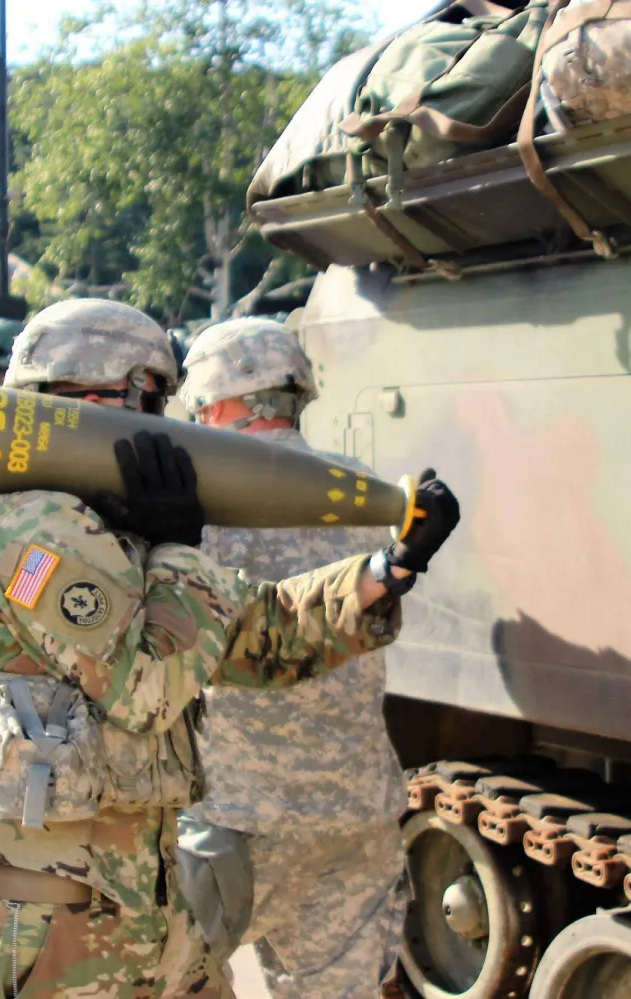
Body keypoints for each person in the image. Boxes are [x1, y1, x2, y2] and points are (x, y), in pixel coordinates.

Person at [0, 299, 460, 999]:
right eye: (148, 399)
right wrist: (176, 547)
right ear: (103, 396)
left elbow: (243, 631)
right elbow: (147, 688)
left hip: (136, 904)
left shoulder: (100, 522)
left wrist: (388, 572)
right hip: (49, 922)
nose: (163, 422)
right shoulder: (27, 528)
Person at [173, 317, 410, 999]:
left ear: (216, 401)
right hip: (355, 814)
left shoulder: (200, 506)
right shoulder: (363, 490)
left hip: (237, 819)